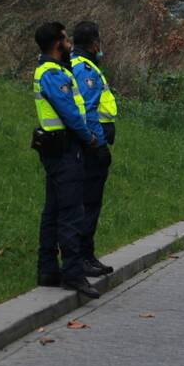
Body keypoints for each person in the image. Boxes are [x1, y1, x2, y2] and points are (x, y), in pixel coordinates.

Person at [32, 22, 100, 299]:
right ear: (58, 42)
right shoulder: (52, 73)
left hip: (56, 149)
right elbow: (71, 113)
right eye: (65, 38)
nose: (70, 42)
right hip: (64, 149)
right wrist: (90, 139)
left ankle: (48, 269)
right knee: (70, 213)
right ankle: (73, 274)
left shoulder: (56, 70)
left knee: (53, 211)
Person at [70, 21, 117, 278]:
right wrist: (98, 145)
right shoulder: (86, 69)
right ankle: (83, 257)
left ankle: (87, 255)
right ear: (94, 43)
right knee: (89, 204)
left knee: (90, 203)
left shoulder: (80, 65)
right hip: (91, 148)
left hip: (88, 145)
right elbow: (87, 112)